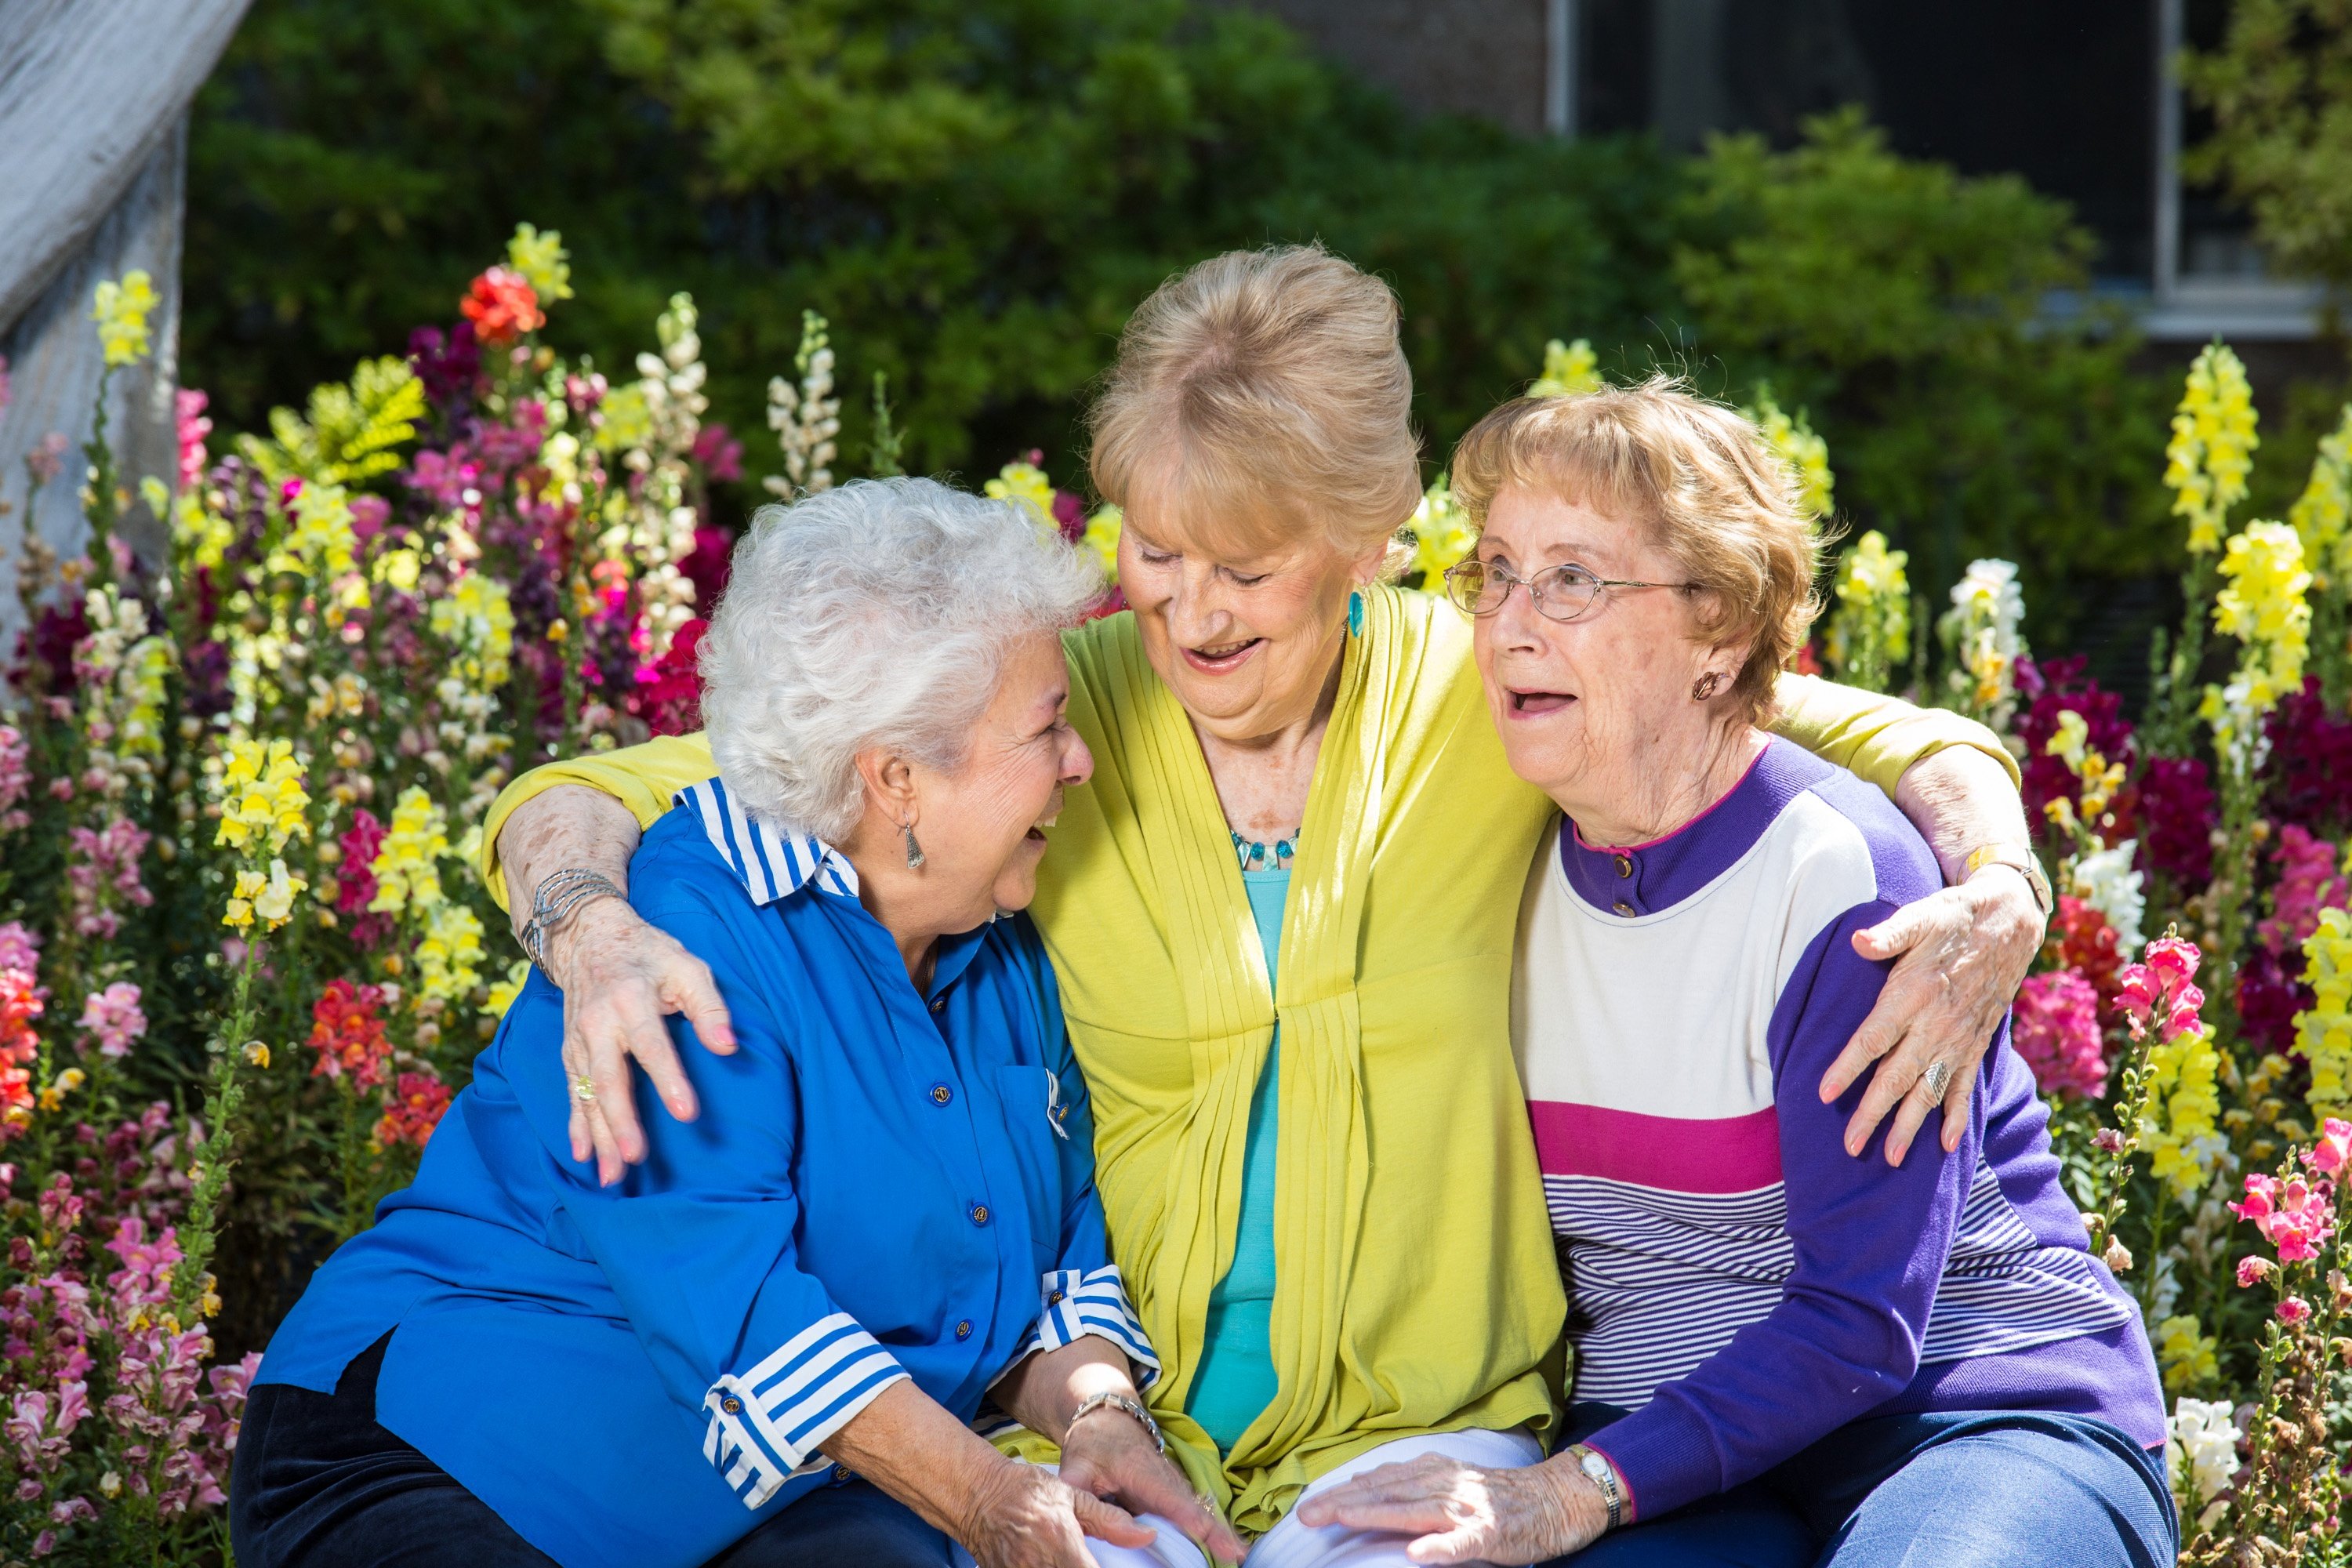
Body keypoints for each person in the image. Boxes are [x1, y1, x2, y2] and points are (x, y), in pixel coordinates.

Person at [477, 247, 2050, 1563]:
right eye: (1155, 551)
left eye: (1246, 563)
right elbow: (635, 784)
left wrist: (2000, 874)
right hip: (1109, 1423)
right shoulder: (1045, 713)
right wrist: (586, 921)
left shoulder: (1490, 691)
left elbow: (1805, 718)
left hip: (1423, 1438)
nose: (1188, 607)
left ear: (1369, 546)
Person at [231, 481, 1244, 1568]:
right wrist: (993, 1498)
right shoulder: (689, 937)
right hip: (450, 1442)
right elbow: (738, 1313)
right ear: (898, 777)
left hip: (770, 1488)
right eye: (1049, 726)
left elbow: (1049, 1272)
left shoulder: (995, 941)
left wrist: (1101, 1415)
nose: (1082, 758)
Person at [1295, 383, 2172, 1567]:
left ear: (1720, 630)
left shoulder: (1843, 881)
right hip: (1668, 1440)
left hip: (1966, 1413)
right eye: (1493, 571)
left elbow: (1861, 1324)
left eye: (1573, 580)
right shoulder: (1492, 853)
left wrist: (1566, 1492)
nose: (1507, 624)